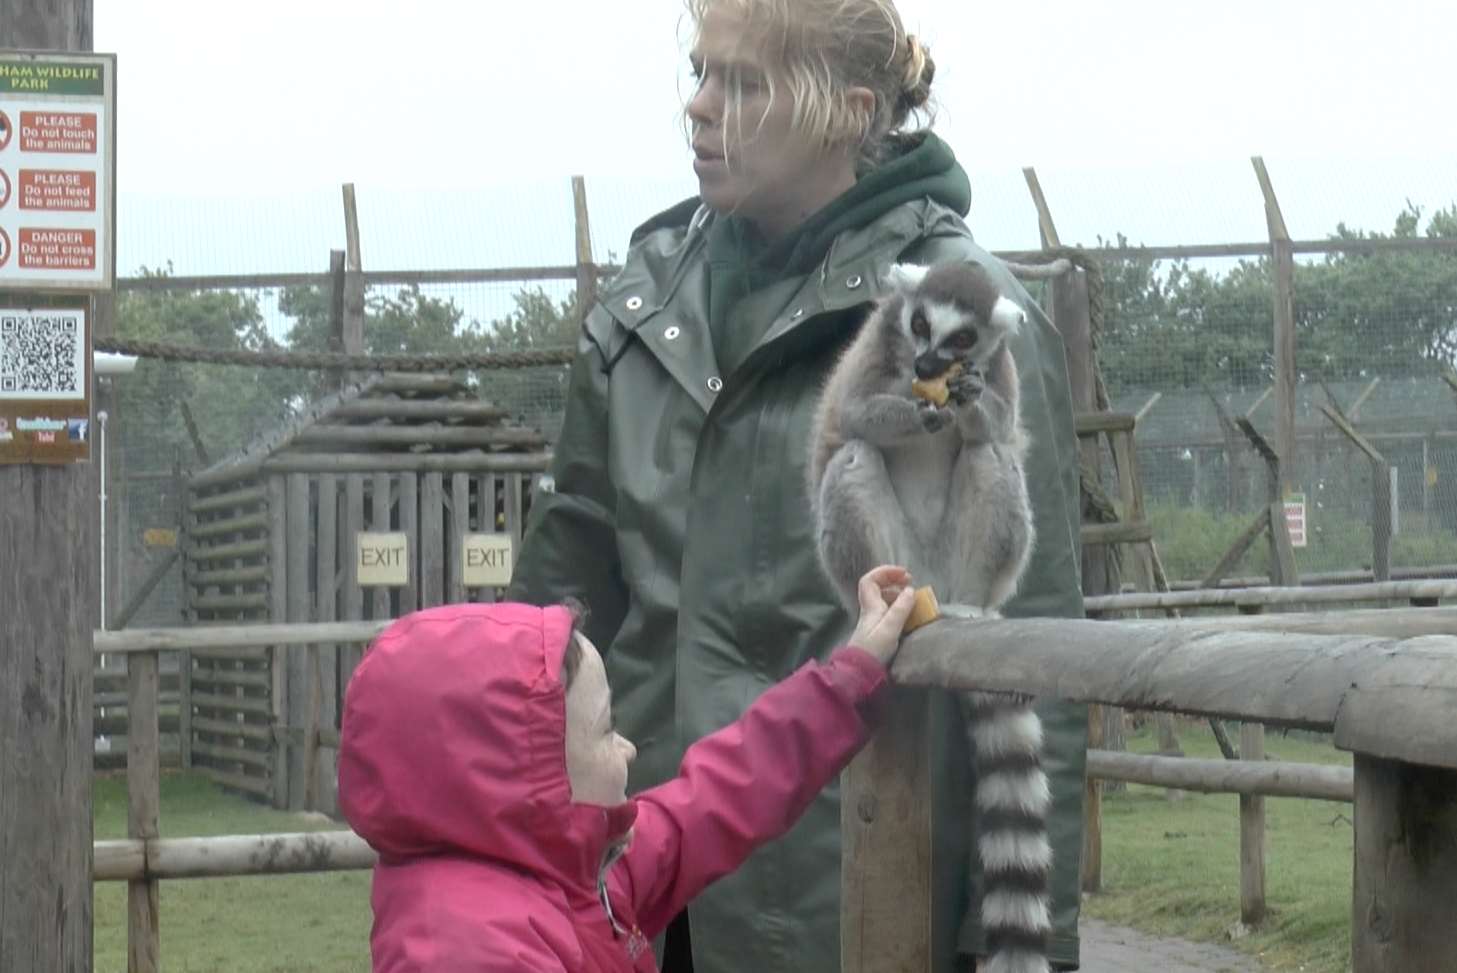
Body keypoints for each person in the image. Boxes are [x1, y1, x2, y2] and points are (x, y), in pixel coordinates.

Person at [507, 1, 1089, 970]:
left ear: (844, 109)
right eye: (698, 73)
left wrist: (1027, 953)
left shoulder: (960, 314)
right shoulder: (640, 310)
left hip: (854, 891)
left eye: (739, 83)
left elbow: (1040, 670)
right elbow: (547, 625)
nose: (697, 108)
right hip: (634, 893)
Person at [337, 566, 917, 972]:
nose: (629, 747)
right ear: (531, 773)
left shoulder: (571, 871)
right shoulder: (470, 950)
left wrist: (849, 676)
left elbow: (715, 800)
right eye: (606, 728)